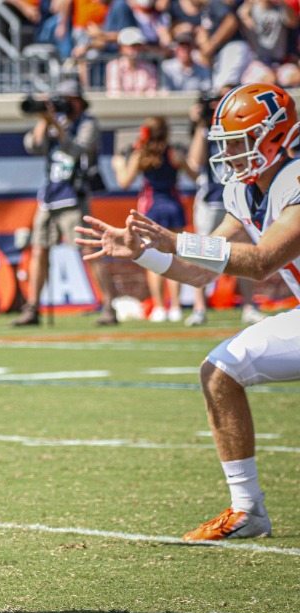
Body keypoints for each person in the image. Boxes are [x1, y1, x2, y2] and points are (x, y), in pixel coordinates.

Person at [75, 82, 300, 542]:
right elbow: (202, 272)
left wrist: (173, 238)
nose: (231, 155)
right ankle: (248, 510)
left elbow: (261, 262)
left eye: (240, 143)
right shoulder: (244, 191)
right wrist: (141, 252)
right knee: (219, 371)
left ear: (277, 136)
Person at [14, 78, 117, 327]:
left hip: (74, 195)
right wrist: (43, 118)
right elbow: (33, 145)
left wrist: (56, 127)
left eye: (68, 100)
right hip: (50, 196)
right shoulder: (54, 121)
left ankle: (108, 306)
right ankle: (32, 308)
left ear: (78, 102)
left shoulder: (87, 123)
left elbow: (76, 149)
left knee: (88, 250)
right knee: (38, 250)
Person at [184, 87, 266, 326]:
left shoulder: (241, 127)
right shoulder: (208, 129)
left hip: (240, 193)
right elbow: (196, 162)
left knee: (246, 250)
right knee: (203, 249)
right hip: (210, 198)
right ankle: (200, 306)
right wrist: (201, 124)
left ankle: (249, 304)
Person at [112, 116, 197, 322]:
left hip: (151, 209)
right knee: (175, 257)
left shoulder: (140, 156)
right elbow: (195, 175)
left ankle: (160, 307)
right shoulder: (174, 154)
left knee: (154, 258)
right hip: (173, 206)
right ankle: (175, 306)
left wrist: (117, 165)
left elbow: (124, 181)